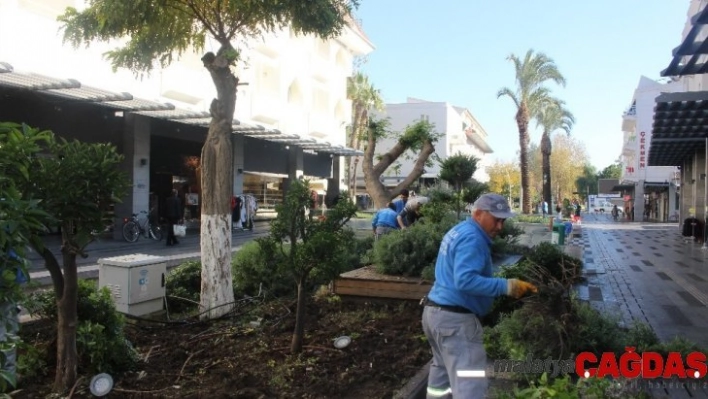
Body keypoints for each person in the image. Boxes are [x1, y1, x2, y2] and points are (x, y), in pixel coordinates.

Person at [422, 193, 538, 399]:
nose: (500, 226)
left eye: (502, 220)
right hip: (455, 322)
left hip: (435, 315)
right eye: (496, 219)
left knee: (441, 375)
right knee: (470, 384)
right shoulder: (473, 239)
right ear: (478, 214)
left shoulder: (459, 231)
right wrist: (507, 286)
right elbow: (465, 280)